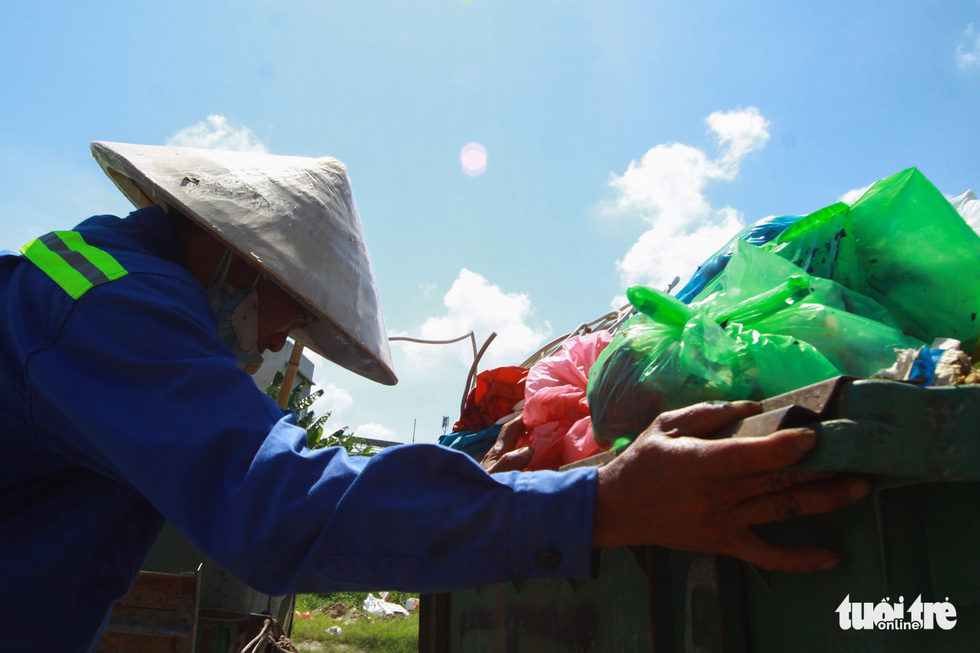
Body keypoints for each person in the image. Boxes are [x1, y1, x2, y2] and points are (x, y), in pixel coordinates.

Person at [0, 142, 870, 652]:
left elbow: (287, 467)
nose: (274, 343)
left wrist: (464, 463)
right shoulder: (110, 304)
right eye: (288, 316)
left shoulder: (106, 293)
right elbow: (276, 507)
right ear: (239, 259)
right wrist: (600, 501)